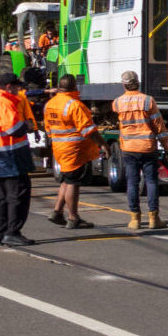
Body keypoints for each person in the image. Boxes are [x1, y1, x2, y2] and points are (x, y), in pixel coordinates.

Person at [0, 71, 38, 246]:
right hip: (9, 154)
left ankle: (2, 231)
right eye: (16, 86)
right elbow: (13, 129)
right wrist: (27, 125)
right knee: (17, 193)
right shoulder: (4, 103)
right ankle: (12, 231)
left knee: (3, 195)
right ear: (8, 87)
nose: (18, 90)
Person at [43, 74, 99, 230]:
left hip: (59, 149)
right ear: (75, 87)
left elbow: (48, 129)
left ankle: (57, 211)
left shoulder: (49, 104)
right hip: (74, 150)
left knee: (67, 180)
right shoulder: (75, 105)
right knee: (73, 183)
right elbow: (89, 130)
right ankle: (73, 218)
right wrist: (103, 145)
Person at [113, 70, 167, 231]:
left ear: (123, 84)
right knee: (151, 181)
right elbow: (159, 126)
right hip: (147, 146)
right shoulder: (148, 101)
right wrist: (166, 146)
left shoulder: (117, 103)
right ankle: (153, 218)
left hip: (128, 148)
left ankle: (135, 219)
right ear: (138, 82)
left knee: (132, 182)